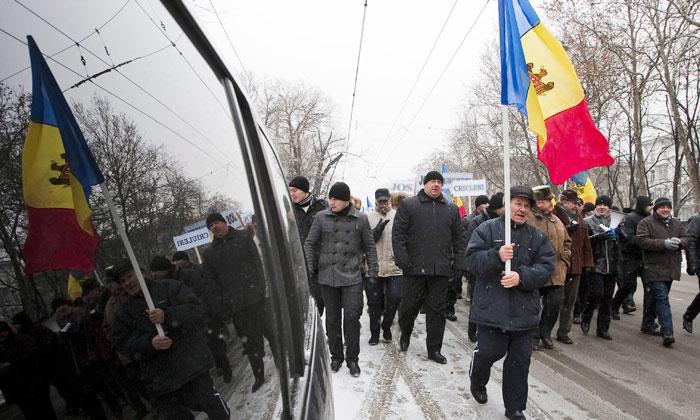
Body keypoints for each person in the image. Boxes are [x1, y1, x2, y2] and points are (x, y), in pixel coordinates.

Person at [467, 186, 555, 420]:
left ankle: (514, 407)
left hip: (523, 311)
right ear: (507, 204)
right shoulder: (486, 230)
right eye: (518, 203)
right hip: (490, 309)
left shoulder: (537, 237)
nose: (522, 209)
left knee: (519, 363)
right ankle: (478, 379)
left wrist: (521, 277)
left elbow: (546, 268)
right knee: (488, 352)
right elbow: (472, 262)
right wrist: (496, 256)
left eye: (527, 205)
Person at [111, 260, 230, 419]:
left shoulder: (169, 287)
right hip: (161, 380)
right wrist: (149, 344)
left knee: (215, 409)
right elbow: (122, 344)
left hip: (191, 365)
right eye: (123, 281)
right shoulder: (124, 313)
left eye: (129, 276)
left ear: (140, 272)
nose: (128, 283)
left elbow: (196, 309)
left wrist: (168, 316)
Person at [392, 170, 466, 364]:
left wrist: (458, 263)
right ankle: (405, 334)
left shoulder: (450, 209)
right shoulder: (409, 205)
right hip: (414, 269)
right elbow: (398, 234)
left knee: (437, 312)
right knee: (408, 308)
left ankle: (434, 349)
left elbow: (459, 238)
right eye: (432, 181)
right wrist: (403, 260)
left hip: (440, 271)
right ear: (424, 184)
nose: (436, 185)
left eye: (439, 182)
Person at [305, 182, 378, 377]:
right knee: (332, 319)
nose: (332, 202)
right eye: (330, 198)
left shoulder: (360, 219)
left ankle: (352, 359)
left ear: (346, 200)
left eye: (336, 199)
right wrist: (311, 267)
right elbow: (310, 243)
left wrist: (373, 273)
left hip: (352, 277)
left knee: (352, 318)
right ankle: (336, 357)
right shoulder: (321, 217)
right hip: (327, 278)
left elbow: (370, 247)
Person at [201, 212, 272, 392]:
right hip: (237, 308)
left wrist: (261, 290)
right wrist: (223, 308)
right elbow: (212, 284)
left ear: (224, 223)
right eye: (210, 226)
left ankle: (282, 362)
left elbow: (258, 265)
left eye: (216, 222)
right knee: (249, 343)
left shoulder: (243, 237)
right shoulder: (209, 253)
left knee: (272, 333)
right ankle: (259, 376)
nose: (214, 227)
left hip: (258, 299)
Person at [172, 250, 232, 383]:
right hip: (197, 319)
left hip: (207, 314)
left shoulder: (196, 271)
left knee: (216, 342)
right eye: (174, 261)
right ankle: (219, 364)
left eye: (178, 260)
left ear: (185, 259)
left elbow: (206, 292)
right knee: (209, 345)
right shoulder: (176, 279)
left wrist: (212, 310)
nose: (176, 263)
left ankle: (224, 365)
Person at [636, 197, 687, 347]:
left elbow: (687, 238)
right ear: (655, 209)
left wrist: (680, 243)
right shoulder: (646, 223)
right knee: (662, 299)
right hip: (653, 268)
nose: (665, 210)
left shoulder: (676, 223)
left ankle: (647, 324)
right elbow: (641, 241)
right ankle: (667, 332)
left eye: (668, 207)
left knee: (654, 298)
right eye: (662, 207)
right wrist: (663, 243)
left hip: (671, 268)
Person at [528, 186, 571, 350]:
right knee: (533, 306)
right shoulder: (529, 219)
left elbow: (567, 241)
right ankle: (533, 336)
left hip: (557, 271)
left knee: (554, 304)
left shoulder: (556, 220)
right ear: (537, 203)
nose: (548, 204)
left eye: (548, 200)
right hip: (536, 270)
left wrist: (565, 258)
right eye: (544, 201)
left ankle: (545, 333)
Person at [552, 189, 593, 344]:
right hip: (558, 266)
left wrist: (588, 262)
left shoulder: (580, 219)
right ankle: (544, 332)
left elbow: (585, 243)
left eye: (576, 203)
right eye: (572, 203)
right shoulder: (554, 216)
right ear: (563, 202)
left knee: (569, 302)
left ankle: (563, 332)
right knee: (554, 302)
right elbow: (553, 238)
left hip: (575, 266)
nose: (575, 206)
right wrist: (568, 229)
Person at [463, 192, 505, 342]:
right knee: (478, 301)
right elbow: (470, 247)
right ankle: (473, 329)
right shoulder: (477, 222)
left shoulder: (505, 223)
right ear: (497, 208)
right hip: (480, 268)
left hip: (499, 268)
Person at [365, 188, 402, 345]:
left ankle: (386, 325)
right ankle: (374, 334)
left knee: (395, 298)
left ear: (390, 200)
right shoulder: (367, 217)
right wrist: (376, 232)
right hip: (374, 266)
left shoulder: (398, 216)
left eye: (385, 201)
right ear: (375, 201)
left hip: (395, 266)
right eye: (380, 201)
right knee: (374, 302)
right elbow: (364, 241)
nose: (383, 204)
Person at [0, 321, 57, 420]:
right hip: (20, 390)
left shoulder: (22, 339)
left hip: (33, 385)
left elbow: (32, 357)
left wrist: (12, 364)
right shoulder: (4, 347)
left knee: (44, 411)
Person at [289, 175, 329, 315]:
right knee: (314, 304)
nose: (292, 194)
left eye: (295, 190)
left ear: (305, 190)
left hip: (324, 263)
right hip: (304, 264)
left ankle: (331, 334)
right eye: (290, 190)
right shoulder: (289, 209)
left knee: (327, 302)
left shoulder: (322, 206)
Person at [581, 195, 619, 340]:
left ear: (609, 207)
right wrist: (600, 237)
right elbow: (584, 242)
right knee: (596, 293)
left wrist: (619, 236)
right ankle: (586, 316)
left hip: (612, 265)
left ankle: (603, 328)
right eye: (599, 204)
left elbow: (625, 241)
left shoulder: (616, 222)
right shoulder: (587, 222)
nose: (602, 207)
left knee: (607, 297)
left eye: (605, 205)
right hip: (595, 264)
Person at [613, 196, 653, 320]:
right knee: (627, 286)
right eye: (649, 204)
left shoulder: (650, 219)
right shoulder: (630, 218)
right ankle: (614, 306)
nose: (651, 207)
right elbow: (627, 236)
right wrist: (644, 242)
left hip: (646, 257)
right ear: (642, 205)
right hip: (631, 257)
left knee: (650, 289)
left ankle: (648, 321)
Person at [683, 210, 700, 333]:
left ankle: (689, 315)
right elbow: (691, 242)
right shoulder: (697, 220)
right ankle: (689, 316)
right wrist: (692, 263)